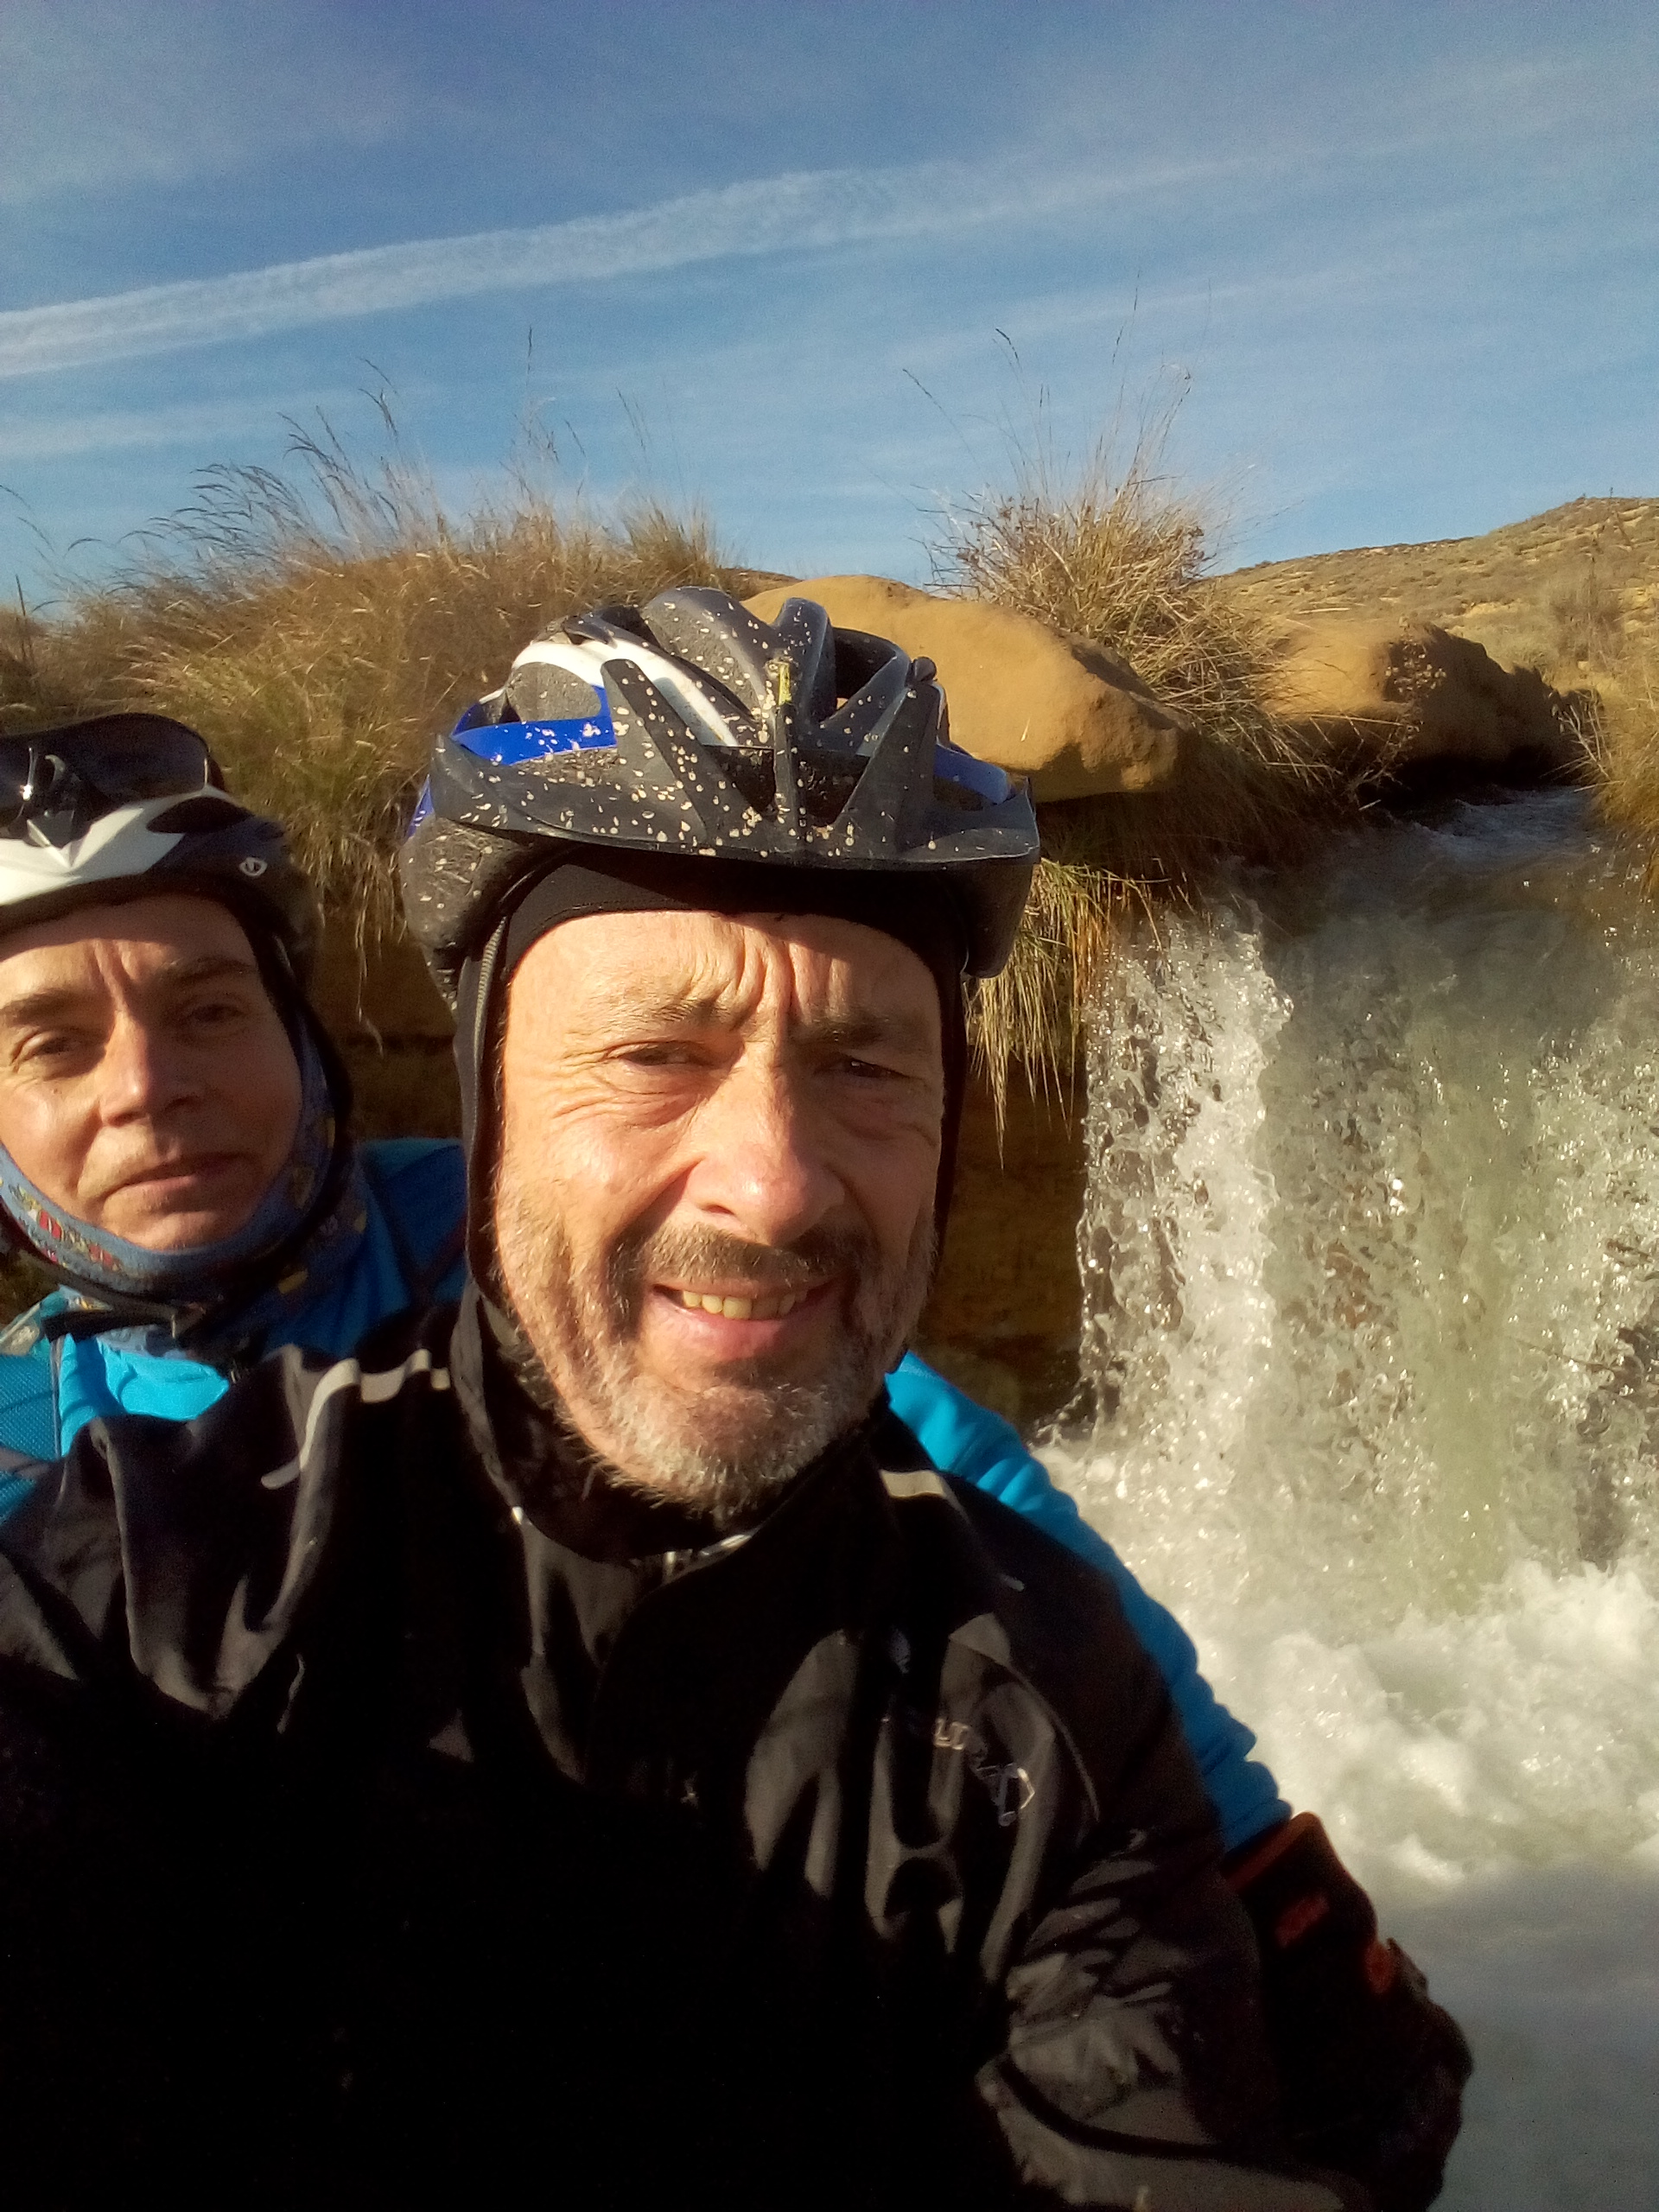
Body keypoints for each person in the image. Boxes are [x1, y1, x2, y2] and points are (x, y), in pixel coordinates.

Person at [0, 596, 1464, 2207]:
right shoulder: (100, 1566)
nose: (770, 1189)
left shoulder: (1035, 1703)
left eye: (866, 1063)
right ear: (496, 1101)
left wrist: (1251, 1865)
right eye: (652, 1053)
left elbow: (957, 1482)